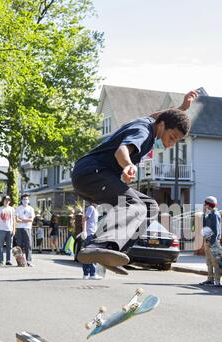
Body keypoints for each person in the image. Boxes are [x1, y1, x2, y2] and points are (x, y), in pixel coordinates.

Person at [71, 90, 198, 273]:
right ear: (162, 126)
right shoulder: (143, 132)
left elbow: (160, 116)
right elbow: (121, 151)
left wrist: (182, 109)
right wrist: (128, 165)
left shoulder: (149, 122)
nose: (170, 144)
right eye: (171, 138)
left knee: (150, 207)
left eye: (176, 142)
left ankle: (111, 251)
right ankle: (100, 245)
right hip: (92, 173)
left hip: (90, 174)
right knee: (133, 204)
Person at [199, 196, 222, 287]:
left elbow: (216, 231)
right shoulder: (209, 214)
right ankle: (210, 279)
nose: (204, 206)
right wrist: (204, 214)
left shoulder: (215, 214)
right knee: (208, 261)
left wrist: (211, 242)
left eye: (205, 204)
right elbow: (205, 227)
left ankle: (217, 281)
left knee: (215, 262)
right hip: (208, 241)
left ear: (208, 204)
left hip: (214, 242)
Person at [81, 203, 104, 280]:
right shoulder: (91, 208)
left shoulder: (95, 210)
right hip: (89, 234)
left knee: (87, 254)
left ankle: (86, 274)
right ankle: (92, 274)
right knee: (91, 254)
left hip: (91, 234)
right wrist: (84, 231)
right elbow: (84, 219)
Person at [15, 194, 35, 267]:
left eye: (26, 199)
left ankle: (29, 261)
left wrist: (22, 219)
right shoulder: (18, 208)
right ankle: (19, 262)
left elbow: (31, 219)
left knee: (28, 245)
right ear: (21, 200)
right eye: (24, 199)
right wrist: (26, 219)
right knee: (19, 246)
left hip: (28, 228)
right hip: (19, 228)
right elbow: (17, 220)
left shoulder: (31, 209)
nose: (25, 200)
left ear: (28, 200)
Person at [0, 195, 15, 266]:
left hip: (9, 230)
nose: (7, 201)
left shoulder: (12, 209)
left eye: (8, 200)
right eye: (5, 200)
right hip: (1, 229)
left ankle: (8, 260)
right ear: (3, 201)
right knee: (0, 246)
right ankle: (0, 260)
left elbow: (14, 220)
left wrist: (14, 229)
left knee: (9, 246)